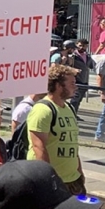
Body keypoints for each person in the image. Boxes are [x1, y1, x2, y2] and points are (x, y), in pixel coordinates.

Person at [28, 65, 86, 195]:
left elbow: (72, 145)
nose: (75, 87)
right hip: (54, 181)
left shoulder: (69, 108)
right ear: (59, 86)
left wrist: (79, 172)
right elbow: (39, 147)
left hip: (73, 180)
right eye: (72, 83)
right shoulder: (43, 110)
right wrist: (49, 179)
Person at [71, 39, 96, 115]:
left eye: (84, 46)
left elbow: (92, 65)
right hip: (77, 80)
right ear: (76, 45)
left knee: (79, 100)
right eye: (80, 45)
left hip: (84, 80)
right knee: (74, 99)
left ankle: (75, 114)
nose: (82, 47)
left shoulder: (87, 56)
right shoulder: (73, 56)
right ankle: (71, 114)